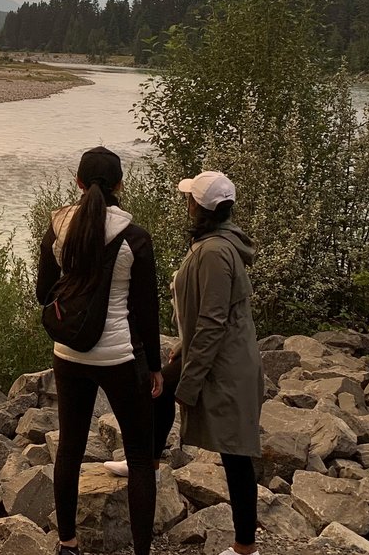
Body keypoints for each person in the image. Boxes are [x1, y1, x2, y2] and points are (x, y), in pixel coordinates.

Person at [115, 170, 263, 555]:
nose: (186, 203)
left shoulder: (214, 251)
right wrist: (183, 347)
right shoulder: (216, 241)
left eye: (189, 199)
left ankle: (246, 547)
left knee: (236, 453)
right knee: (157, 389)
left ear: (198, 206)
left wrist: (191, 384)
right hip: (216, 354)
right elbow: (207, 314)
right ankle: (146, 465)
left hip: (227, 365)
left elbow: (214, 321)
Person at [36, 146, 164, 555]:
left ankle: (68, 544)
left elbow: (43, 294)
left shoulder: (57, 228)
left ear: (76, 182)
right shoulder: (134, 237)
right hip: (119, 357)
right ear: (121, 185)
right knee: (141, 459)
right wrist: (156, 368)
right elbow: (145, 311)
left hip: (68, 353)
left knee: (70, 447)